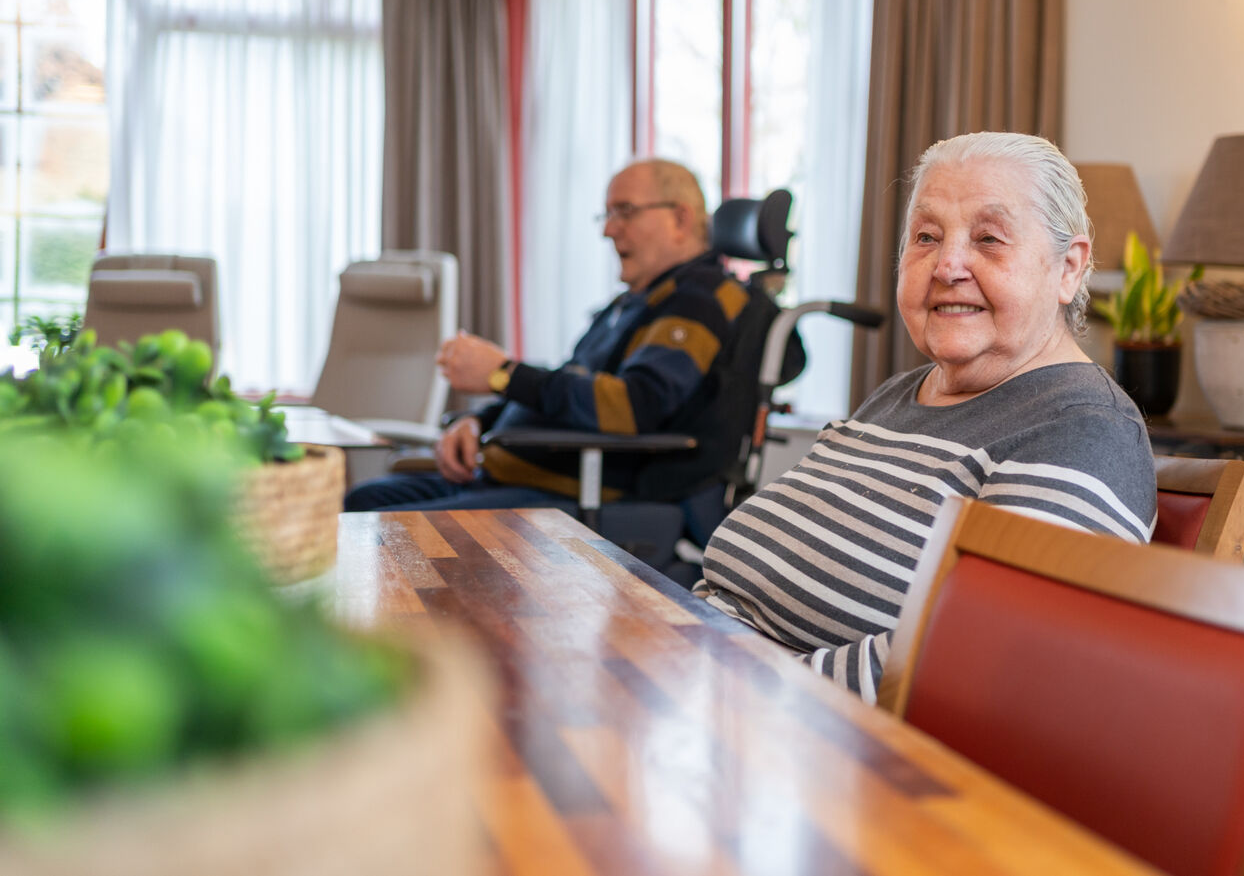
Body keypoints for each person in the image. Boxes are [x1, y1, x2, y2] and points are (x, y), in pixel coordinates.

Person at [696, 132, 1157, 701]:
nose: (947, 266)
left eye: (988, 239)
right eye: (926, 237)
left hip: (813, 747)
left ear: (1068, 268)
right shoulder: (898, 396)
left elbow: (975, 660)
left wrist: (726, 694)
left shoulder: (1083, 430)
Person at [345, 158, 754, 513]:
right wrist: (475, 420)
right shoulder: (633, 305)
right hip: (514, 474)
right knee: (364, 502)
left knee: (386, 529)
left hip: (585, 493)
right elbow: (571, 387)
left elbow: (632, 406)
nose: (609, 230)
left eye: (625, 211)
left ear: (680, 218)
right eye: (607, 214)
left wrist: (504, 374)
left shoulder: (698, 303)